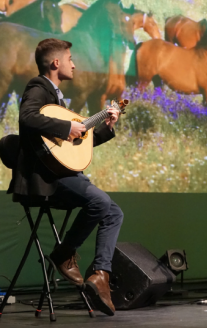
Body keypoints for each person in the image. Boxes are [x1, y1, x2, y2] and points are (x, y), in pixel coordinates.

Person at [9, 38, 124, 316]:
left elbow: (72, 147)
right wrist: (66, 126)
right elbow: (26, 118)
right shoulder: (38, 86)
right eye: (70, 58)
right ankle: (63, 253)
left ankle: (101, 275)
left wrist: (106, 128)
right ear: (56, 63)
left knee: (114, 213)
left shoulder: (59, 98)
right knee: (100, 202)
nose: (74, 63)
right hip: (44, 179)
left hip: (60, 173)